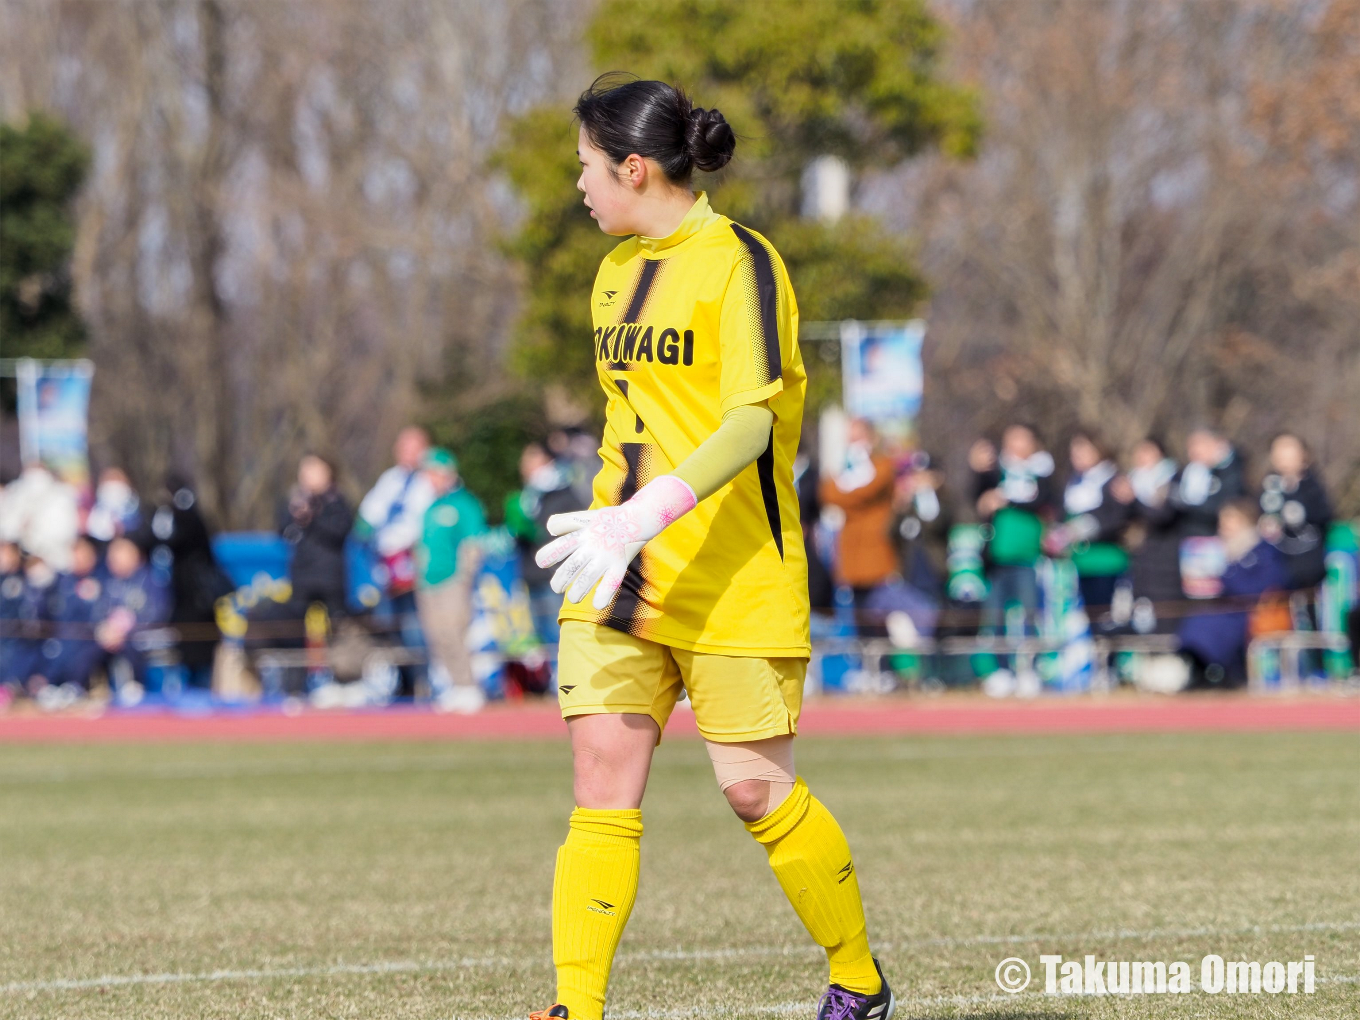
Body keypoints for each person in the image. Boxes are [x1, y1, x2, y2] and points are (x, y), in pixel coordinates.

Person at [527, 76, 892, 1020]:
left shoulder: (744, 262)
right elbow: (632, 419)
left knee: (755, 793)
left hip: (735, 572)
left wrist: (650, 510)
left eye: (587, 167)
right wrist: (616, 522)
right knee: (601, 786)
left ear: (634, 167)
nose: (580, 185)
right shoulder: (609, 274)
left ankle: (857, 977)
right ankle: (577, 1006)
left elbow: (752, 422)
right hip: (618, 565)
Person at [970, 426, 1056, 689]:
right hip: (997, 559)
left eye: (1021, 439)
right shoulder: (998, 471)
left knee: (1029, 617)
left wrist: (1006, 499)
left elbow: (1040, 501)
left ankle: (1030, 669)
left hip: (1028, 558)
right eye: (1010, 439)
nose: (1014, 445)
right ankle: (1001, 672)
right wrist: (976, 470)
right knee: (995, 618)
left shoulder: (1042, 471)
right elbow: (977, 496)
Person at [1178, 498, 1289, 687]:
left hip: (1253, 612)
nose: (1223, 527)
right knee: (1198, 618)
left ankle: (1221, 672)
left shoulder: (1262, 551)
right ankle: (1200, 665)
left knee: (1214, 624)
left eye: (1229, 521)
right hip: (1226, 608)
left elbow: (1268, 584)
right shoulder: (1220, 550)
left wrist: (1223, 577)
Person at [135, 474, 232, 684]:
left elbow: (182, 539)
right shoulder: (160, 516)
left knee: (199, 653)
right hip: (178, 599)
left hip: (197, 600)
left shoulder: (189, 518)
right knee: (183, 653)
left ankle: (201, 690)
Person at [414, 447, 488, 713]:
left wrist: (464, 576)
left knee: (454, 633)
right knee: (437, 637)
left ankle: (468, 686)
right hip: (428, 582)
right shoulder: (431, 506)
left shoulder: (464, 504)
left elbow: (472, 543)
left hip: (452, 581)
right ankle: (454, 686)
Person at [356, 426, 436, 655]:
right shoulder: (390, 478)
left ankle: (423, 679)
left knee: (415, 626)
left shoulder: (431, 480)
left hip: (416, 561)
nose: (407, 453)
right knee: (390, 624)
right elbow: (370, 515)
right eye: (403, 448)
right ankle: (403, 682)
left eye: (414, 448)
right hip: (386, 564)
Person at [819, 418, 898, 635]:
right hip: (852, 553)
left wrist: (847, 497)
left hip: (877, 552)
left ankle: (887, 665)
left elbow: (868, 491)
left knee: (881, 613)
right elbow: (828, 494)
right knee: (858, 615)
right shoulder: (846, 467)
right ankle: (866, 663)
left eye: (858, 437)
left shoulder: (882, 464)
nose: (853, 444)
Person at [506, 441, 589, 644]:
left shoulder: (564, 492)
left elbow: (576, 529)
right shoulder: (527, 497)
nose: (526, 465)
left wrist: (536, 529)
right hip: (533, 575)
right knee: (544, 639)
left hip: (556, 576)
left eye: (532, 458)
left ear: (548, 461)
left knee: (561, 638)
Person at [1049, 432, 1130, 611]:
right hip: (1077, 563)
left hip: (1105, 561)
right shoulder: (1072, 482)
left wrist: (1081, 528)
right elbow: (1061, 516)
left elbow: (1115, 518)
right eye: (1074, 451)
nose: (1076, 455)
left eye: (1082, 449)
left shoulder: (1112, 480)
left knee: (1104, 615)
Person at [280, 454, 354, 619]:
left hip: (330, 577)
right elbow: (283, 532)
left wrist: (313, 517)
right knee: (295, 626)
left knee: (337, 624)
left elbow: (340, 531)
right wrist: (294, 515)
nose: (307, 474)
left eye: (313, 469)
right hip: (302, 574)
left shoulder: (337, 501)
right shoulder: (294, 500)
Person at [1257, 433, 1332, 591]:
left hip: (1308, 566)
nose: (1284, 459)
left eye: (1289, 452)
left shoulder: (1312, 485)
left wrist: (1298, 512)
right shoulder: (1268, 485)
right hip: (1274, 564)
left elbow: (1325, 516)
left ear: (1303, 455)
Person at [84, 467, 142, 542]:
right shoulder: (95, 512)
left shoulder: (136, 511)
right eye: (109, 484)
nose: (113, 491)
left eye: (117, 484)